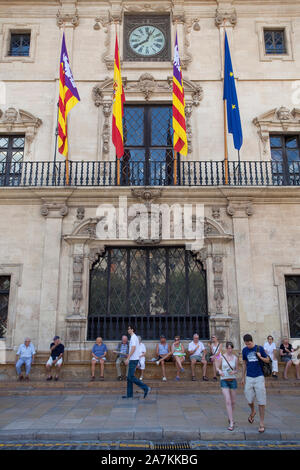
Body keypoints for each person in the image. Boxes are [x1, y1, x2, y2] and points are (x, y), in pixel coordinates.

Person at [242, 333, 270, 433]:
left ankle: (261, 423)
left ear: (252, 341)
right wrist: (243, 377)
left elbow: (267, 360)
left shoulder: (259, 348)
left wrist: (260, 357)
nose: (248, 346)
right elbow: (244, 363)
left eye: (249, 344)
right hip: (249, 377)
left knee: (261, 401)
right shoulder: (244, 350)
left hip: (259, 376)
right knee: (249, 399)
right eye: (246, 344)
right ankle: (253, 411)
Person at [122, 325, 150, 399]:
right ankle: (129, 395)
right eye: (128, 329)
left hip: (133, 360)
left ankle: (145, 388)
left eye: (129, 329)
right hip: (133, 359)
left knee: (131, 377)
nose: (128, 330)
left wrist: (128, 358)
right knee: (129, 378)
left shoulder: (133, 337)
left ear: (132, 330)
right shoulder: (133, 337)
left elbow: (133, 348)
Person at [216, 341, 238, 431]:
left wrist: (234, 372)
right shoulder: (221, 356)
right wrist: (219, 371)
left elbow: (237, 370)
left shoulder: (235, 358)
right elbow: (217, 366)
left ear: (232, 348)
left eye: (231, 348)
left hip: (232, 380)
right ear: (226, 348)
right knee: (228, 401)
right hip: (224, 380)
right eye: (228, 348)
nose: (229, 350)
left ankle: (230, 417)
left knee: (233, 402)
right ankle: (231, 422)